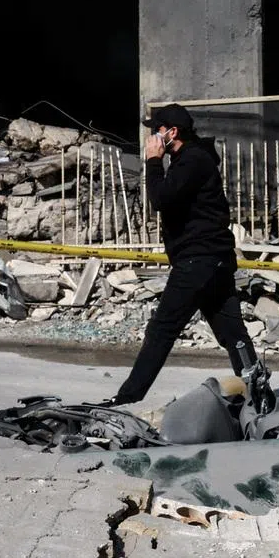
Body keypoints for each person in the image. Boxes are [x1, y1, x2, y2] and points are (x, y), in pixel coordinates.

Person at [105, 103, 252, 406]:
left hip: (199, 259)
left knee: (162, 329)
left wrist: (153, 161)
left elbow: (160, 198)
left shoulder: (192, 160)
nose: (151, 137)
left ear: (171, 132)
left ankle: (126, 401)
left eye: (155, 130)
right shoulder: (195, 158)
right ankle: (261, 396)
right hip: (214, 258)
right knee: (232, 332)